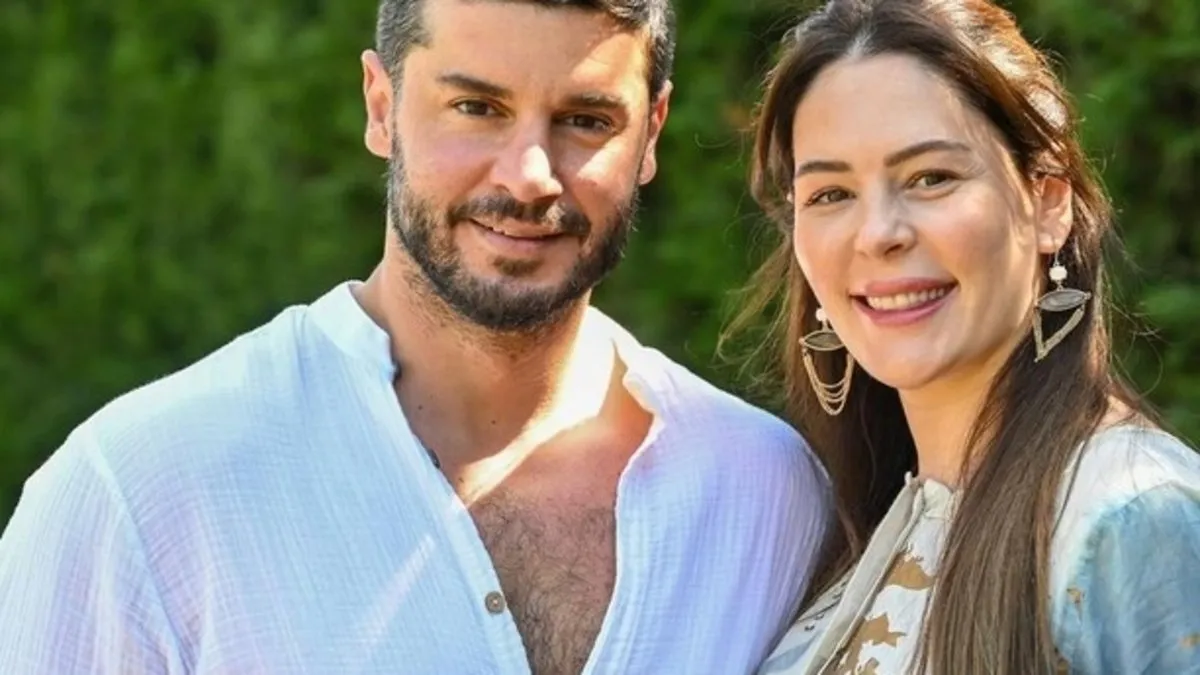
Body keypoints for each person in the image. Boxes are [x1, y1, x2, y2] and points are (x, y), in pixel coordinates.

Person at [0, 0, 832, 673]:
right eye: (476, 107)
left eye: (585, 120)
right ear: (381, 105)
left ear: (651, 133)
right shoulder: (139, 491)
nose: (528, 175)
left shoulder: (765, 489)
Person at [722, 0, 1200, 673]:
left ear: (1048, 202)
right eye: (831, 193)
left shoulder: (1129, 516)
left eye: (931, 178)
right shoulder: (852, 529)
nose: (878, 234)